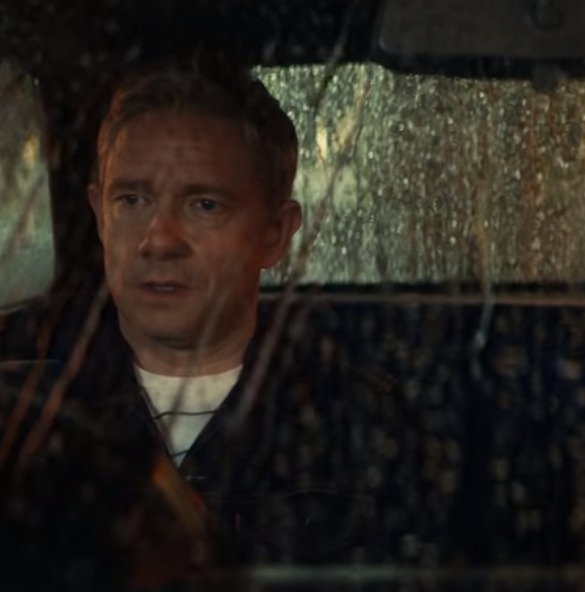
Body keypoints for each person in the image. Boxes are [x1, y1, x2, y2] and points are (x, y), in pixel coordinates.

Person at [0, 63, 440, 587]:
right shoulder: (22, 410)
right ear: (99, 215)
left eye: (204, 205)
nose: (159, 240)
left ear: (275, 234)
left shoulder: (361, 427)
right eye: (131, 200)